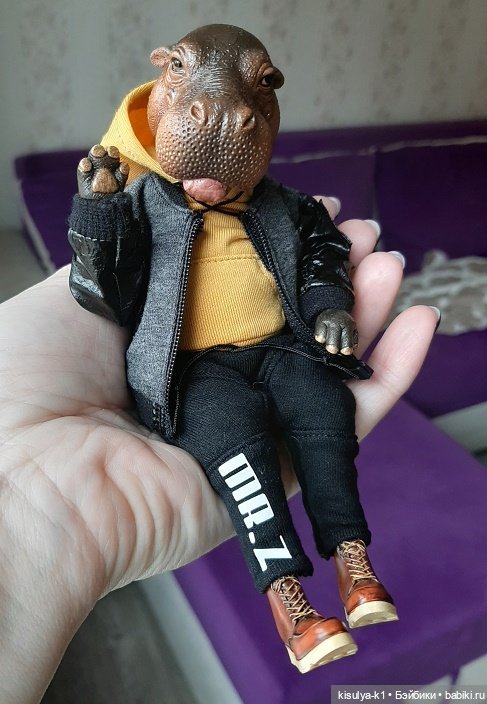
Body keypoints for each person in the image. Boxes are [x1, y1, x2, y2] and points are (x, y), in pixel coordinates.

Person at [0, 198, 439, 703]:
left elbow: (323, 251)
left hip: (280, 347)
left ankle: (352, 558)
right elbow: (102, 284)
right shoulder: (143, 207)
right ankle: (291, 607)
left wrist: (329, 306)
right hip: (194, 370)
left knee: (325, 410)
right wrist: (98, 215)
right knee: (240, 454)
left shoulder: (282, 204)